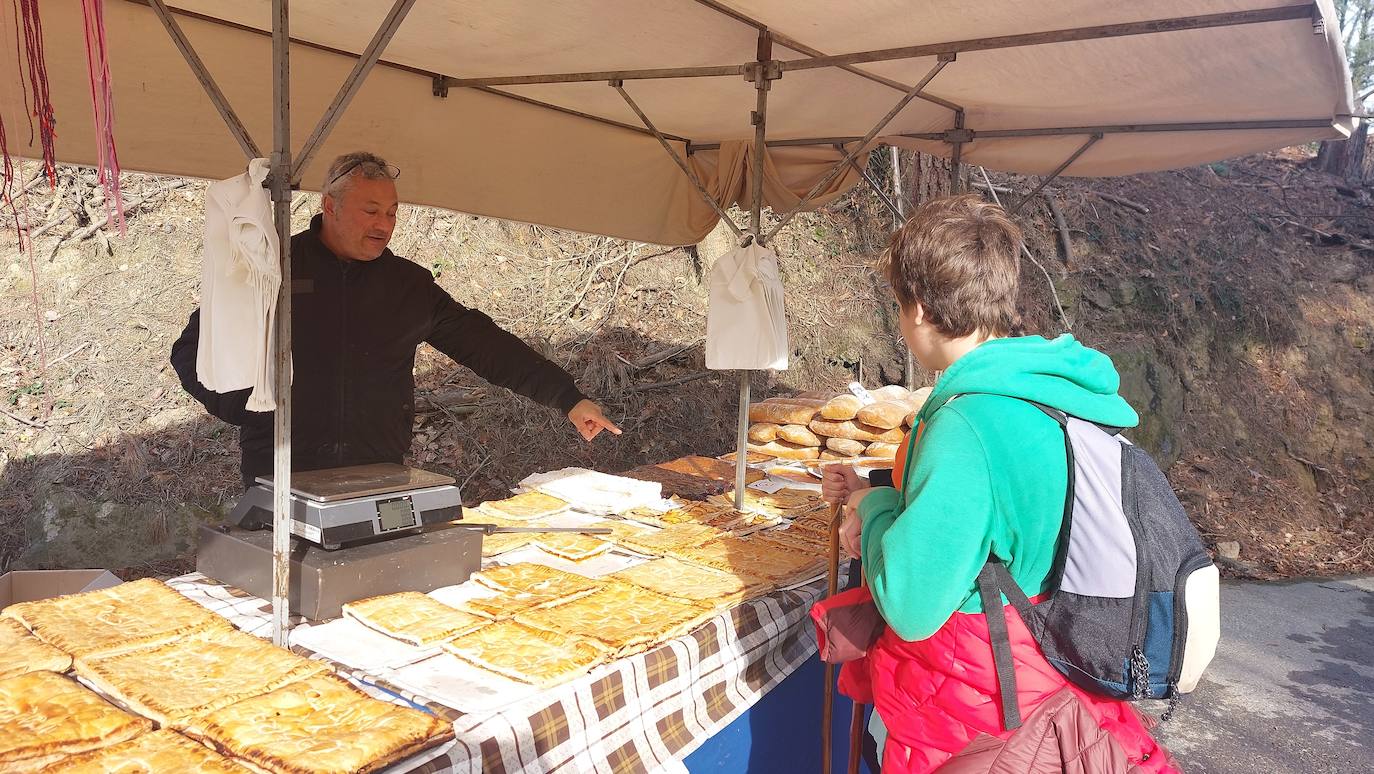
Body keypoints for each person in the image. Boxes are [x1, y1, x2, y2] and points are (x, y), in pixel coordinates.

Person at [822, 194, 1178, 773]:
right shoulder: (1051, 394)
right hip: (1054, 659)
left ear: (915, 307)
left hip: (975, 704)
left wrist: (877, 503)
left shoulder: (968, 422)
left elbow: (912, 605)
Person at [171, 151, 620, 487]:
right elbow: (192, 349)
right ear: (329, 206)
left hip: (378, 469)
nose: (384, 225)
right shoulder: (275, 267)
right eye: (370, 211)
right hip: (281, 469)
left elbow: (486, 345)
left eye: (391, 213)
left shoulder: (409, 286)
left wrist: (567, 397)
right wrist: (250, 412)